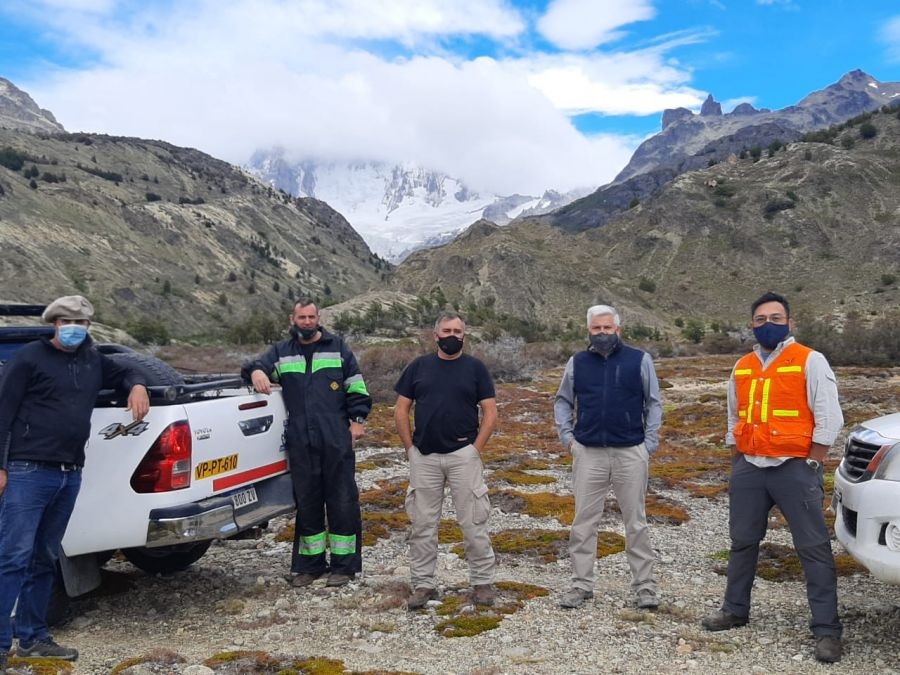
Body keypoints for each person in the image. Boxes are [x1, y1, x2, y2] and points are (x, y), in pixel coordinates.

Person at [0, 295, 149, 671]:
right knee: (12, 558)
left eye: (81, 323)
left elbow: (127, 371)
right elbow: (3, 411)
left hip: (70, 474)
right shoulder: (29, 358)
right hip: (27, 470)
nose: (74, 329)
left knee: (44, 557)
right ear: (54, 324)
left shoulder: (92, 360)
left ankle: (33, 637)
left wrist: (137, 385)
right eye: (67, 322)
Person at [701, 291, 844, 663]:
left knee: (812, 547)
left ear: (790, 323)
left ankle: (827, 630)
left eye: (776, 318)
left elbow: (830, 418)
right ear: (752, 324)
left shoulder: (809, 360)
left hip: (795, 468)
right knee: (742, 542)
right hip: (750, 467)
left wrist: (812, 462)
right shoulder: (743, 365)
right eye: (761, 319)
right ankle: (735, 610)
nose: (769, 325)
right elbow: (735, 418)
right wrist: (738, 461)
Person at [242, 299, 371, 588]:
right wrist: (256, 372)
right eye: (302, 317)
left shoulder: (337, 348)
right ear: (293, 319)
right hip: (301, 441)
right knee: (308, 502)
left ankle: (344, 566)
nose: (307, 322)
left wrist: (358, 420)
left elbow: (357, 387)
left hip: (336, 438)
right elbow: (255, 365)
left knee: (342, 501)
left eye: (311, 316)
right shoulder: (281, 352)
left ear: (318, 318)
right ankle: (309, 566)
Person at [554, 304, 662, 611]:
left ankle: (644, 587)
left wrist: (649, 443)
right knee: (583, 523)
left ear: (618, 330)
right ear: (588, 331)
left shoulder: (639, 360)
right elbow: (563, 400)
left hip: (631, 451)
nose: (602, 333)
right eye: (596, 328)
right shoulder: (577, 362)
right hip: (588, 452)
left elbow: (654, 403)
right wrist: (568, 438)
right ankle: (581, 584)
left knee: (636, 522)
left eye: (607, 328)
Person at [394, 311, 498, 610]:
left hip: (463, 457)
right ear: (435, 334)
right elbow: (401, 410)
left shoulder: (476, 369)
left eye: (458, 331)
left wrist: (475, 450)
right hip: (424, 458)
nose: (453, 335)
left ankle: (482, 583)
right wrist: (410, 449)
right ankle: (423, 584)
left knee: (474, 522)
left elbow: (490, 413)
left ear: (464, 335)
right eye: (447, 330)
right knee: (422, 525)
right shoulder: (418, 367)